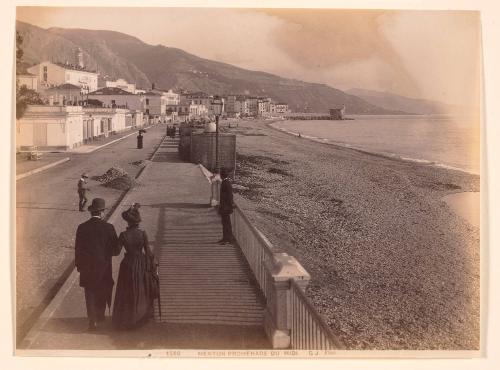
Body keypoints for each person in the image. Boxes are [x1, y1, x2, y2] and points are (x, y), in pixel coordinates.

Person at [75, 198, 119, 331]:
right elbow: (116, 251)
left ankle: (92, 321)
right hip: (104, 267)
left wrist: (79, 266)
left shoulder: (82, 227)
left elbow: (78, 249)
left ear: (91, 212)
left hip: (87, 267)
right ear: (102, 212)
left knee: (90, 293)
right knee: (102, 291)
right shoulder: (109, 228)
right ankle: (100, 316)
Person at [112, 203, 154, 330]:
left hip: (128, 264)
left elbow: (115, 252)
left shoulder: (123, 235)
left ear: (128, 222)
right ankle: (139, 317)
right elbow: (148, 252)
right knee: (140, 289)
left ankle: (125, 319)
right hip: (140, 263)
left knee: (127, 291)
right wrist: (152, 264)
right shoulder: (143, 234)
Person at [218, 168, 234, 244]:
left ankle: (228, 239)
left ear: (222, 175)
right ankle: (226, 238)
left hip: (226, 208)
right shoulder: (226, 182)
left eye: (220, 174)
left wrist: (231, 206)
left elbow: (230, 196)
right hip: (225, 207)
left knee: (226, 224)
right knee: (225, 223)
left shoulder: (226, 183)